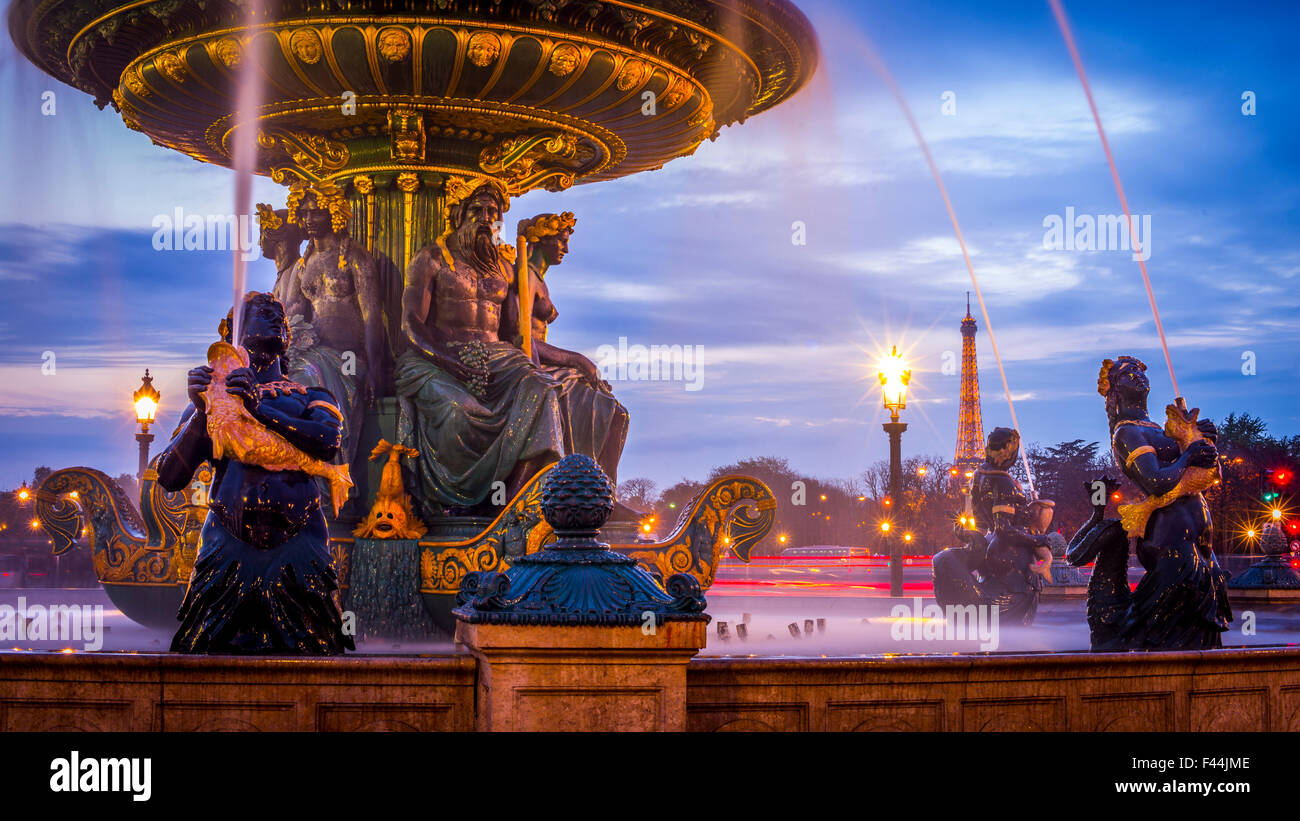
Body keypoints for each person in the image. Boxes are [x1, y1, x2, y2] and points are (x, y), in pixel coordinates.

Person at [158, 292, 354, 654]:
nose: (273, 315)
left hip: (299, 541)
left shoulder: (312, 396)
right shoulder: (212, 401)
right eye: (259, 312)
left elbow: (327, 441)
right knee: (207, 650)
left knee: (314, 649)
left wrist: (259, 410)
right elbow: (170, 477)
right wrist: (201, 412)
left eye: (277, 312)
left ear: (288, 338)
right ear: (230, 333)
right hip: (227, 541)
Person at [395, 181, 564, 514]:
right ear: (460, 214)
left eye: (493, 213)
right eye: (478, 211)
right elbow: (410, 324)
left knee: (543, 390)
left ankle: (518, 499)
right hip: (437, 356)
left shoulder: (504, 268)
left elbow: (517, 333)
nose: (487, 219)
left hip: (496, 357)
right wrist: (448, 360)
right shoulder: (432, 258)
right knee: (460, 411)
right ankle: (457, 498)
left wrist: (538, 365)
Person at [1094, 356, 1230, 649]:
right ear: (1114, 389)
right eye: (1129, 374)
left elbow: (1201, 479)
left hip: (1198, 537)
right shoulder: (1126, 432)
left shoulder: (1157, 428)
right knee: (1173, 623)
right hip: (1169, 537)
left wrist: (1204, 442)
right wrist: (1188, 454)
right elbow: (1155, 481)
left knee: (1201, 620)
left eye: (1141, 371)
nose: (1139, 376)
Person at [502, 212, 629, 486]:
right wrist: (577, 360)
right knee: (612, 412)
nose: (566, 248)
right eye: (560, 240)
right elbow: (519, 338)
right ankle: (590, 485)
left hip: (545, 364)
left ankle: (602, 489)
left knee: (616, 412)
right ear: (541, 239)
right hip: (528, 365)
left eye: (567, 241)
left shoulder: (538, 279)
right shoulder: (524, 276)